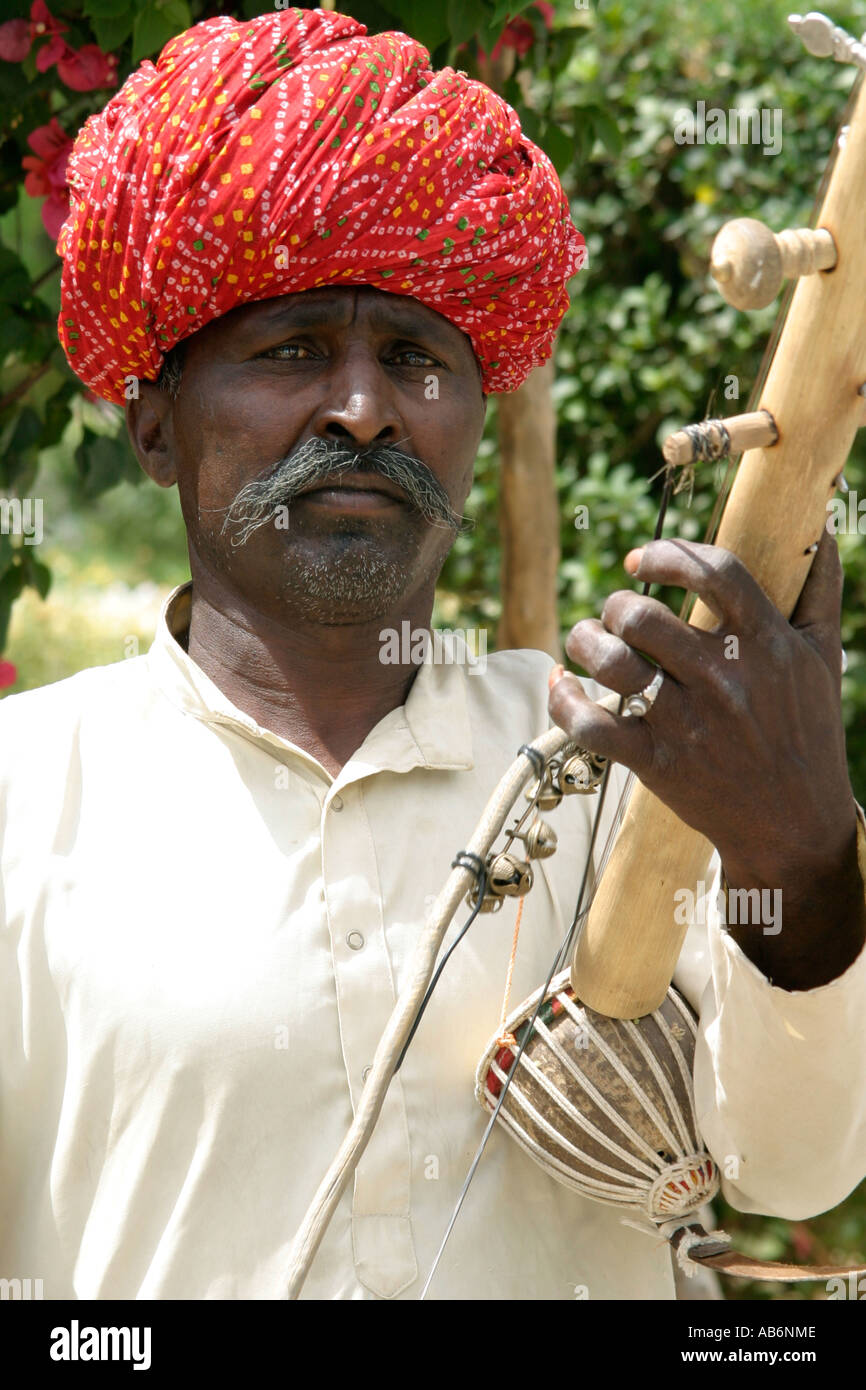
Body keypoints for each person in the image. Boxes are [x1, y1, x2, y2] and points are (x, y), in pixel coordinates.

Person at [1, 7, 864, 1301]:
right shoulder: (24, 796)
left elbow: (794, 1173)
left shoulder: (632, 759)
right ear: (157, 428)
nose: (362, 406)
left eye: (414, 358)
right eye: (292, 348)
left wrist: (796, 855)